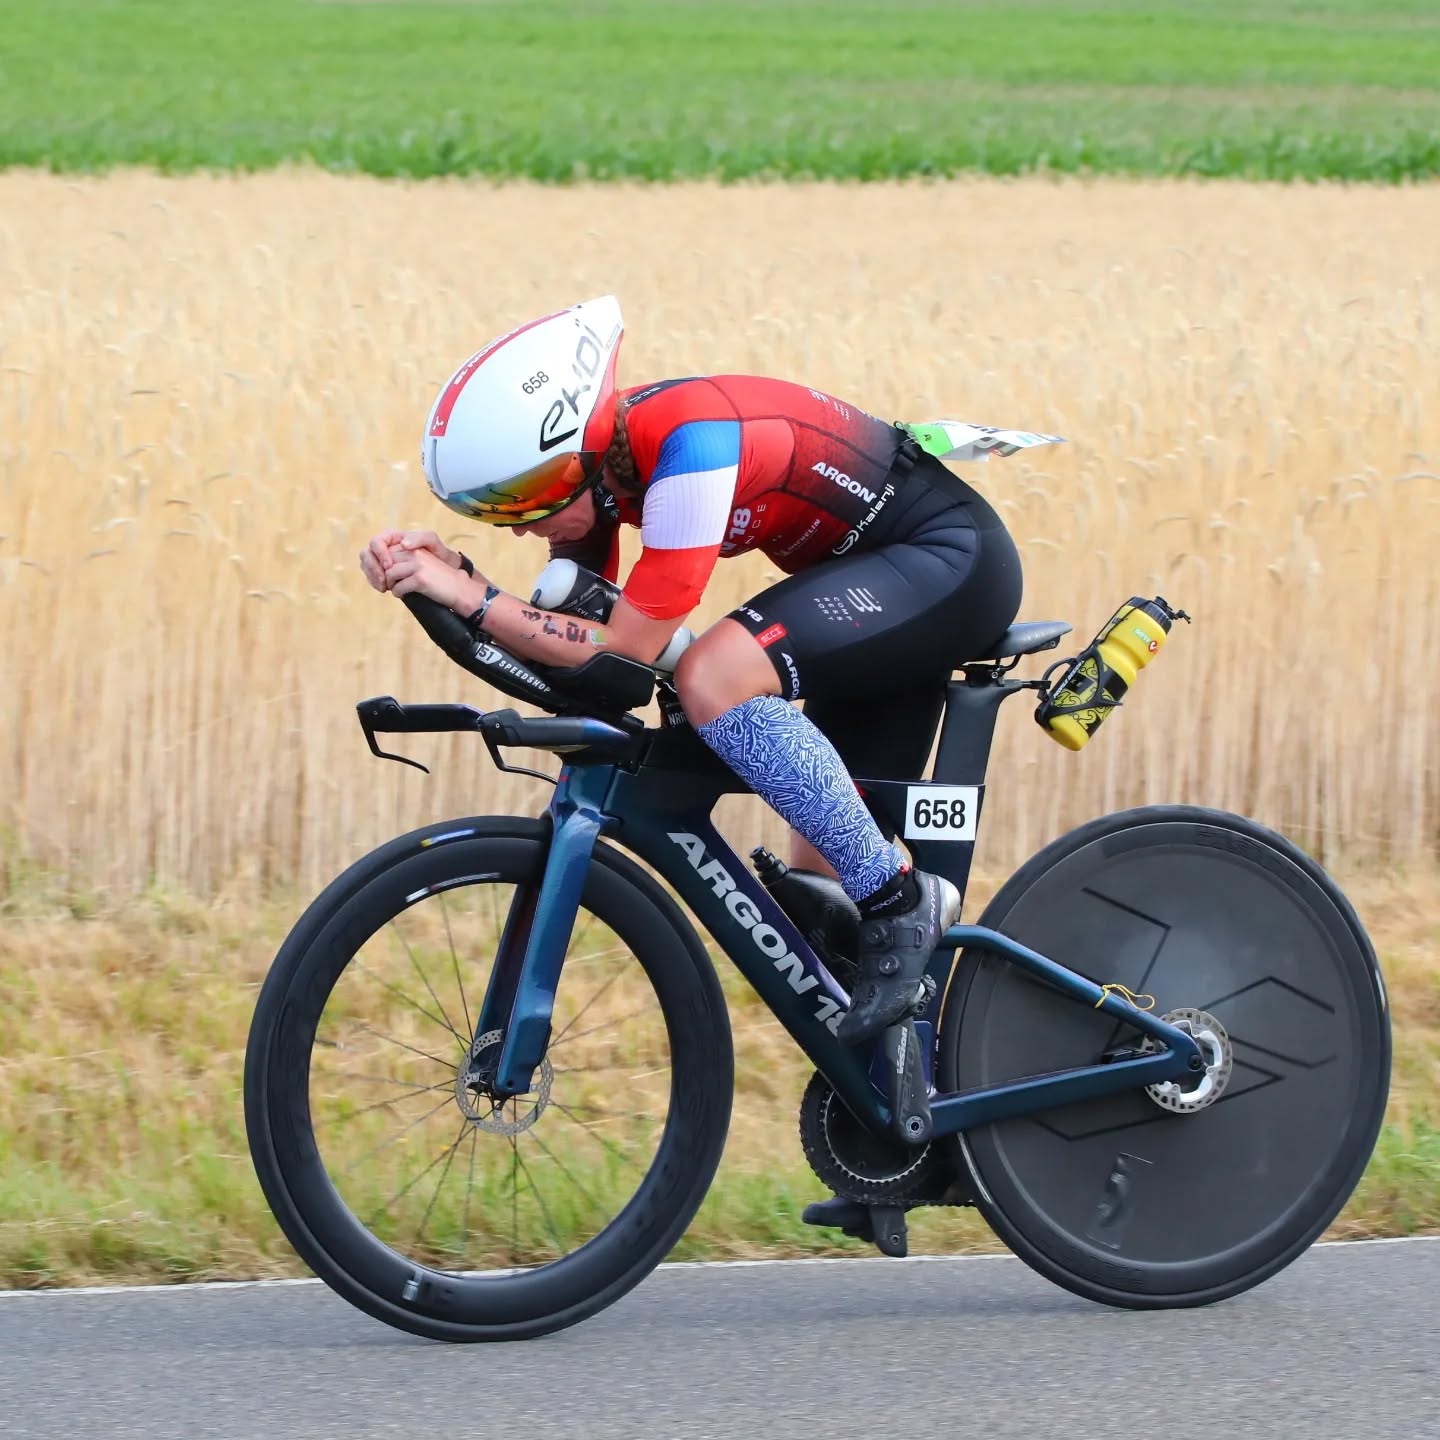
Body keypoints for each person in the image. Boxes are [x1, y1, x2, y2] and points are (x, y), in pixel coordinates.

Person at [361, 293, 1021, 1055]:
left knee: (714, 675)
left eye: (526, 499)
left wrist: (470, 597)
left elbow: (628, 646)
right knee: (821, 894)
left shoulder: (690, 444)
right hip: (876, 594)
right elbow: (584, 662)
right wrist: (455, 577)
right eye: (495, 512)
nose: (523, 526)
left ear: (578, 453)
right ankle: (901, 1095)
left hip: (948, 564)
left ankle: (903, 901)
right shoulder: (601, 475)